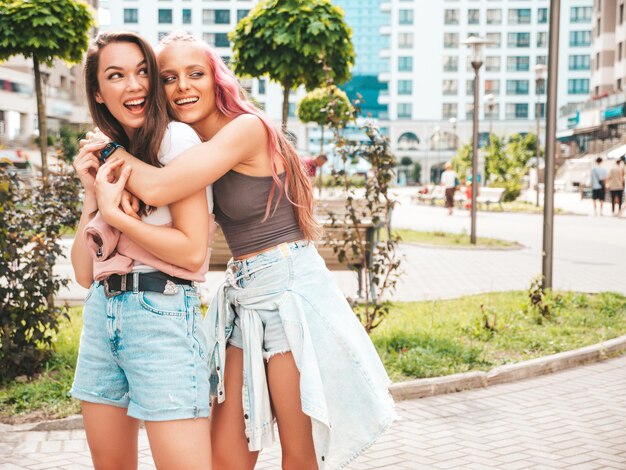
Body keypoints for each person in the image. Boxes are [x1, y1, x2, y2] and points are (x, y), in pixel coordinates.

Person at [81, 32, 395, 470]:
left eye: (196, 74)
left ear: (216, 80)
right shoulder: (182, 145)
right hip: (242, 299)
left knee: (300, 455)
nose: (182, 87)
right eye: (168, 78)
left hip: (288, 294)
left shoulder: (246, 129)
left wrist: (105, 148)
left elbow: (156, 187)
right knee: (226, 459)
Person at [70, 32, 213, 470]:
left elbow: (192, 252)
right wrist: (93, 196)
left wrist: (119, 218)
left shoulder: (175, 141)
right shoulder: (108, 154)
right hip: (101, 315)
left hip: (161, 314)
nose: (134, 85)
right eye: (116, 75)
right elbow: (82, 272)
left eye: (143, 71)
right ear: (98, 91)